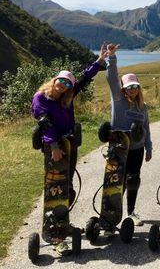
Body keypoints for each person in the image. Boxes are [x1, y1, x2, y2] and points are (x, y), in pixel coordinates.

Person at [31, 46, 108, 252]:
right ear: (54, 80)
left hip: (69, 145)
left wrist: (100, 61)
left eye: (67, 83)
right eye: (61, 81)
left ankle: (62, 222)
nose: (63, 85)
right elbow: (44, 121)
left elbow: (83, 79)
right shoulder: (41, 97)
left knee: (68, 187)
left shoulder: (67, 96)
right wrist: (54, 146)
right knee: (55, 187)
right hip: (53, 148)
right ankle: (55, 234)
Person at [105, 44, 153, 227]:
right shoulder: (118, 99)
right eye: (129, 87)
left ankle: (131, 212)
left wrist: (149, 147)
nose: (133, 89)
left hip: (137, 148)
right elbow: (111, 78)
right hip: (118, 147)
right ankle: (112, 213)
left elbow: (146, 127)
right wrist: (112, 57)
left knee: (133, 179)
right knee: (118, 181)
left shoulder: (142, 106)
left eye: (136, 86)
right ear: (123, 88)